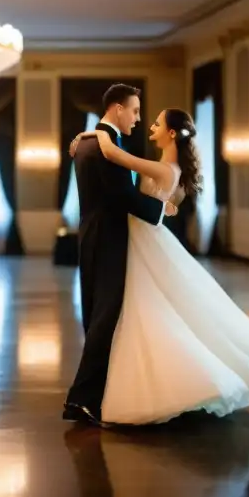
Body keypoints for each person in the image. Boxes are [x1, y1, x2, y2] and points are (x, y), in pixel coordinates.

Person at [68, 107, 249, 426]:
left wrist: (91, 135)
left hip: (144, 239)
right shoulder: (166, 165)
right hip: (139, 238)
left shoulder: (166, 169)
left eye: (157, 123)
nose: (150, 125)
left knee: (150, 310)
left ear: (172, 134)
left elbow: (114, 155)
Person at [62, 84, 177, 425]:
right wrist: (162, 211)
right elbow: (122, 197)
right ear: (116, 109)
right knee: (104, 319)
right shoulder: (103, 146)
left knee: (96, 315)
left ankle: (93, 396)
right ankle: (80, 400)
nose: (139, 119)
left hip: (92, 237)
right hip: (108, 239)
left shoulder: (86, 142)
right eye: (135, 111)